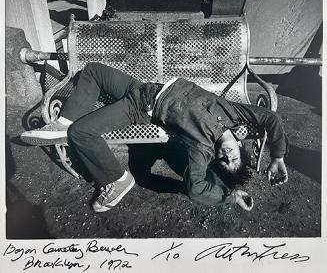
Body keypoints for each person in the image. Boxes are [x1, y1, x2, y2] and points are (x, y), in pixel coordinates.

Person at [21, 63, 288, 213]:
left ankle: (116, 179)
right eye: (234, 159)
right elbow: (270, 119)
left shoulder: (202, 148)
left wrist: (230, 195)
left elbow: (196, 189)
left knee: (80, 133)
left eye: (223, 163)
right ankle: (62, 122)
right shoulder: (232, 113)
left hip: (141, 107)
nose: (226, 157)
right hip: (142, 88)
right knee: (92, 71)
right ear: (241, 148)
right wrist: (277, 157)